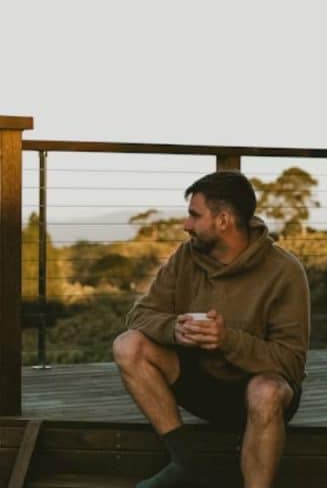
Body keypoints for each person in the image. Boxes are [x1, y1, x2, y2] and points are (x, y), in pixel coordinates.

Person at [112, 170, 311, 488]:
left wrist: (227, 340)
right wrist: (173, 329)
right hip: (203, 384)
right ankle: (184, 463)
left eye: (194, 215)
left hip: (255, 391)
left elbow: (291, 363)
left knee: (267, 392)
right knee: (128, 345)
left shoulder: (284, 271)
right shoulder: (185, 257)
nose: (186, 224)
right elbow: (141, 316)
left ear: (223, 221)